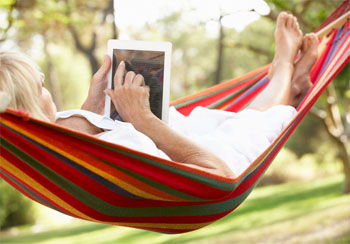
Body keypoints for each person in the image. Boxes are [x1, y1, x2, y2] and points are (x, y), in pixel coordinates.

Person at [0, 12, 318, 178]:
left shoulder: (56, 135)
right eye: (38, 86)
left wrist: (93, 105)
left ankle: (291, 84)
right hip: (207, 164)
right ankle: (283, 69)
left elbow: (88, 143)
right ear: (24, 103)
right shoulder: (58, 146)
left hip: (188, 138)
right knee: (251, 125)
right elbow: (221, 173)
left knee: (236, 122)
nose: (45, 84)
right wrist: (140, 116)